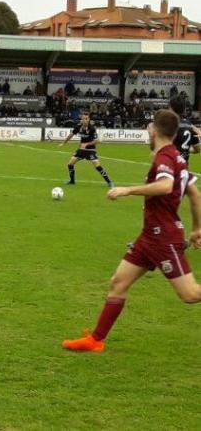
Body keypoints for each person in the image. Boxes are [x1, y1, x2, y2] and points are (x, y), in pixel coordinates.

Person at [62, 110, 201, 352]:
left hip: (163, 237)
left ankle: (96, 339)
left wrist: (127, 190)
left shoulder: (165, 159)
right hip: (149, 237)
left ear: (154, 131)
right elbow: (195, 195)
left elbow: (166, 185)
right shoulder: (177, 157)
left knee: (189, 295)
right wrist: (197, 228)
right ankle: (96, 340)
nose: (148, 131)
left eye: (149, 128)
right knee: (118, 282)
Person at [59, 113, 114, 187]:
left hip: (90, 150)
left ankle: (109, 182)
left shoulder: (92, 128)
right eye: (83, 118)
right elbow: (71, 135)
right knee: (70, 164)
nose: (84, 120)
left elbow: (97, 141)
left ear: (89, 120)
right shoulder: (78, 127)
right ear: (81, 119)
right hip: (81, 150)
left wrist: (87, 144)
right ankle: (72, 181)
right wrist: (63, 143)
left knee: (97, 165)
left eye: (86, 119)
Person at [171, 95, 201, 163]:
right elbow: (197, 149)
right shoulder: (190, 126)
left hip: (170, 166)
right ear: (184, 109)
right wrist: (185, 150)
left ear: (171, 108)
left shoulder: (169, 124)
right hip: (183, 169)